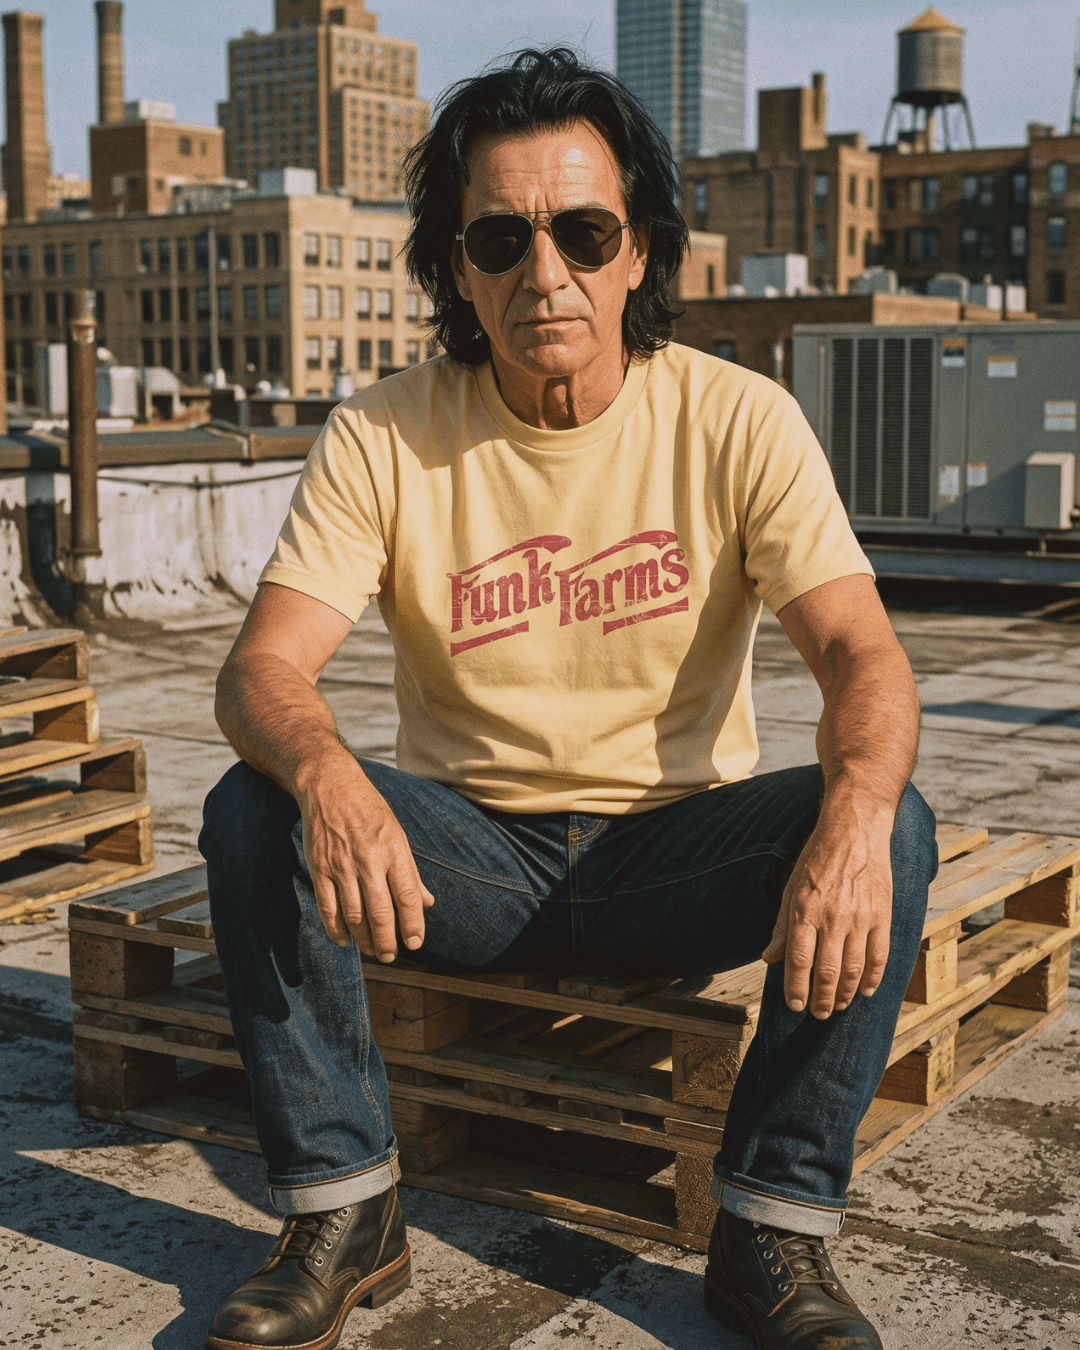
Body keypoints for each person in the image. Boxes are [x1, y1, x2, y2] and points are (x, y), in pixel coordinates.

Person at [200, 47, 936, 1350]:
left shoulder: (738, 419)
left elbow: (861, 655)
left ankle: (768, 1230)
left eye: (583, 233)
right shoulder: (384, 433)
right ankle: (346, 1210)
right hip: (469, 867)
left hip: (677, 860)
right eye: (502, 237)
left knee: (895, 818)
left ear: (638, 251)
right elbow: (261, 667)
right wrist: (327, 775)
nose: (545, 273)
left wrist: (858, 808)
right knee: (255, 807)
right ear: (456, 267)